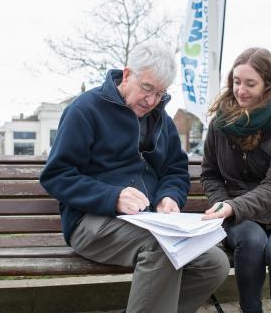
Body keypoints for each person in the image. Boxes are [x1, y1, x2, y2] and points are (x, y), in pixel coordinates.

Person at [40, 41, 229, 313]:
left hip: (149, 222)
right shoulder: (85, 110)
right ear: (127, 75)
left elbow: (175, 170)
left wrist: (169, 196)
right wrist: (112, 197)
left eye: (160, 94)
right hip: (91, 222)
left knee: (214, 263)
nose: (151, 101)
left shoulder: (161, 120)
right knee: (162, 249)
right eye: (147, 88)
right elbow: (56, 176)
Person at [201, 47, 271, 313]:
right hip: (238, 214)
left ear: (268, 85)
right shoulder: (220, 124)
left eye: (250, 83)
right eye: (236, 82)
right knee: (251, 241)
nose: (240, 90)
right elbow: (210, 173)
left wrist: (234, 207)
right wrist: (223, 204)